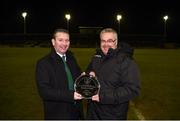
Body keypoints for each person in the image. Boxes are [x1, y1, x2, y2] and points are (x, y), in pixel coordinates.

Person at [86, 28, 141, 120]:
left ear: (116, 42)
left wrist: (103, 97)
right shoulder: (97, 57)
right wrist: (89, 73)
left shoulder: (126, 61)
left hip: (113, 115)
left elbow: (133, 90)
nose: (106, 44)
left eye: (110, 41)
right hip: (93, 113)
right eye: (103, 41)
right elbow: (89, 71)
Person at [35, 28, 83, 120]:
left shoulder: (71, 58)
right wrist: (70, 95)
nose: (64, 44)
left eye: (67, 40)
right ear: (53, 42)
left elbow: (78, 76)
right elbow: (44, 92)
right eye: (60, 40)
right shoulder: (43, 63)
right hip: (57, 114)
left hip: (76, 112)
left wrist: (85, 77)